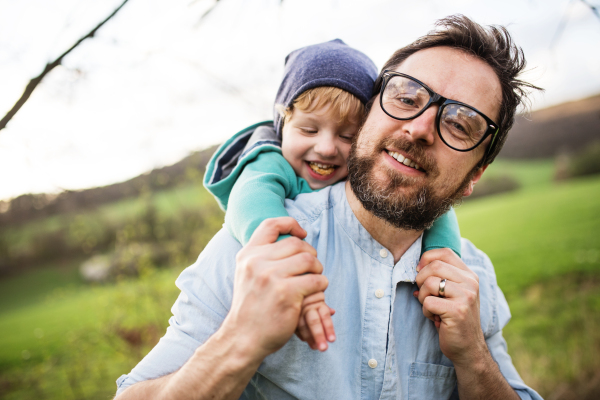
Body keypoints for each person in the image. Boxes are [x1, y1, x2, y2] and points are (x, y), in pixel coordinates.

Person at [114, 15, 543, 400]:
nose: (418, 129)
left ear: (475, 174)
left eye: (458, 123)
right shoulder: (258, 251)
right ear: (373, 109)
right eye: (408, 97)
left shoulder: (472, 278)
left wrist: (475, 359)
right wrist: (241, 339)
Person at [203, 39, 462, 352]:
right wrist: (286, 258)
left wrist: (441, 254)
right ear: (283, 125)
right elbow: (250, 199)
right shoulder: (271, 159)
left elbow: (433, 205)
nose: (325, 148)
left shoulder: (368, 172)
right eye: (309, 130)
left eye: (347, 136)